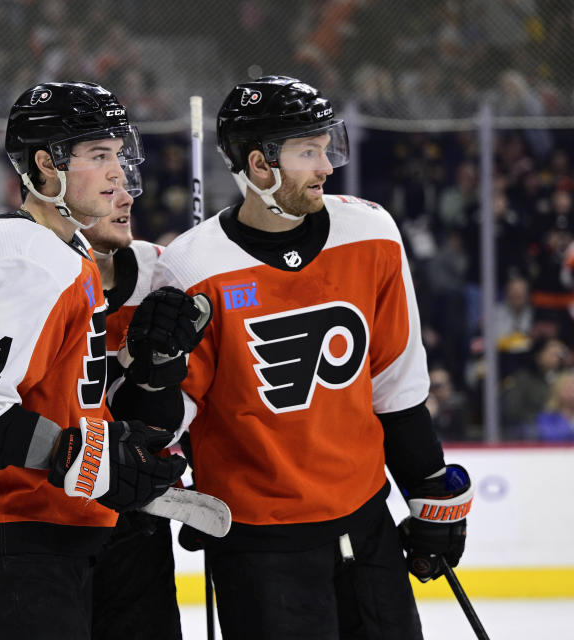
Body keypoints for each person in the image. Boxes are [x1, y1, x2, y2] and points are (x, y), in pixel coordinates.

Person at [134, 76, 474, 639]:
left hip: (368, 526)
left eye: (327, 146)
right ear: (260, 165)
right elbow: (172, 419)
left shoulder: (371, 232)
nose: (327, 166)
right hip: (258, 546)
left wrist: (429, 484)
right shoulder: (192, 268)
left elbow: (395, 383)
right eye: (308, 152)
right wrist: (157, 370)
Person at [0, 82, 196, 640]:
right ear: (46, 166)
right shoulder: (29, 257)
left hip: (35, 530)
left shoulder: (50, 255)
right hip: (11, 527)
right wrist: (88, 456)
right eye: (99, 156)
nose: (118, 173)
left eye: (119, 155)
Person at [80, 167, 183, 640]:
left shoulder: (163, 270)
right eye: (108, 190)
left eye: (126, 188)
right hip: (48, 515)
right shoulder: (29, 273)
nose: (125, 200)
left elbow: (194, 399)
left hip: (138, 515)